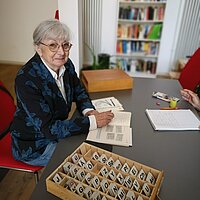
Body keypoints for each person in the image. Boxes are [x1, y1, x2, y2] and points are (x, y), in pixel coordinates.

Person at [10, 19, 114, 166]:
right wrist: (92, 121)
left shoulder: (66, 64)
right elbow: (49, 129)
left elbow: (79, 90)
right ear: (38, 48)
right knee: (91, 162)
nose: (61, 52)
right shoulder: (26, 79)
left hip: (59, 132)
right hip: (36, 145)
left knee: (103, 148)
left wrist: (89, 111)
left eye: (65, 45)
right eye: (53, 45)